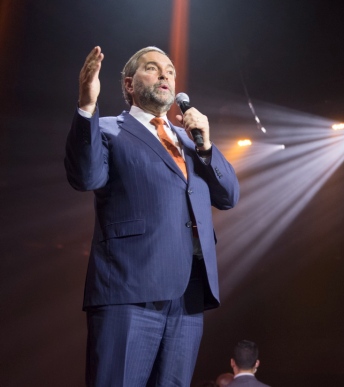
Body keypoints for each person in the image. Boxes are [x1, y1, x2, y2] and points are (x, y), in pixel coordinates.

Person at [64, 46, 240, 386]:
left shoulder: (190, 144)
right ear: (129, 85)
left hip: (187, 294)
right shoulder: (108, 130)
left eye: (170, 70)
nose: (165, 74)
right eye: (153, 68)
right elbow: (84, 178)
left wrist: (205, 147)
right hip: (130, 289)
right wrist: (87, 106)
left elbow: (229, 196)